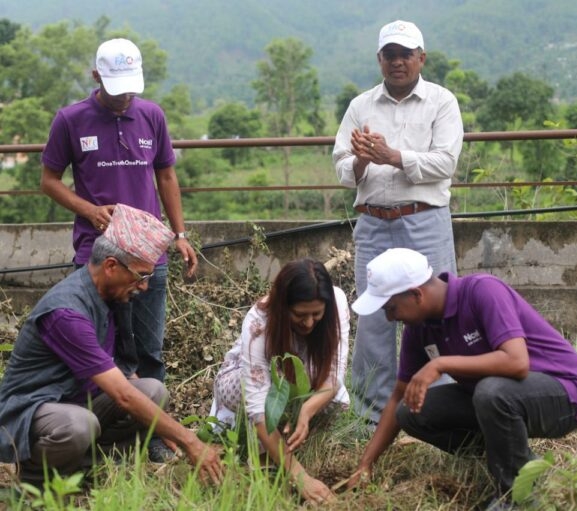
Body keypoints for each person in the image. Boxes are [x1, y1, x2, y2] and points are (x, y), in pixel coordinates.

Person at [40, 38, 195, 460]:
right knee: (103, 350)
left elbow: (165, 177)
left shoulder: (151, 116)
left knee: (148, 349)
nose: (125, 95)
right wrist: (89, 210)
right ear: (95, 77)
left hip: (149, 255)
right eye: (115, 86)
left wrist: (179, 234)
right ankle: (101, 437)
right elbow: (49, 181)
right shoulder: (71, 120)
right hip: (98, 257)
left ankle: (155, 439)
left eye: (130, 86)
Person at [0, 204, 223, 486]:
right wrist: (189, 440)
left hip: (77, 400)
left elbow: (124, 374)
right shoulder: (67, 312)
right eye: (141, 275)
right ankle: (35, 480)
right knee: (79, 425)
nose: (144, 286)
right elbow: (123, 395)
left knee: (153, 392)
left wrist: (162, 424)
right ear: (111, 266)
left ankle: (83, 469)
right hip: (35, 411)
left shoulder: (112, 295)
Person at [347, 248, 577, 509]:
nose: (390, 317)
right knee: (410, 410)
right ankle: (511, 459)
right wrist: (365, 465)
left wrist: (440, 364)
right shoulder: (419, 328)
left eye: (390, 308)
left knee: (491, 392)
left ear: (416, 294)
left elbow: (517, 362)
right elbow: (399, 395)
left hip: (564, 393)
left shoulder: (482, 291)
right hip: (502, 398)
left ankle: (518, 495)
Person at [333, 20, 464, 425]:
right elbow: (340, 168)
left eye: (406, 54)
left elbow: (446, 162)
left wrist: (393, 157)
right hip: (373, 223)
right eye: (390, 54)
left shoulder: (442, 102)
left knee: (435, 313)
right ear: (379, 59)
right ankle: (369, 417)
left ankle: (440, 412)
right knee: (374, 316)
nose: (397, 62)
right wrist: (359, 160)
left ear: (421, 58)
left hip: (423, 220)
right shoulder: (361, 106)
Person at [210, 259, 350, 505]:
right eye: (300, 315)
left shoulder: (337, 303)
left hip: (299, 382)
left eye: (316, 314)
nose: (308, 323)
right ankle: (256, 447)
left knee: (336, 401)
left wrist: (307, 410)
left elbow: (333, 377)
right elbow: (258, 408)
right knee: (261, 402)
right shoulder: (258, 322)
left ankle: (288, 441)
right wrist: (300, 476)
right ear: (283, 306)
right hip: (242, 383)